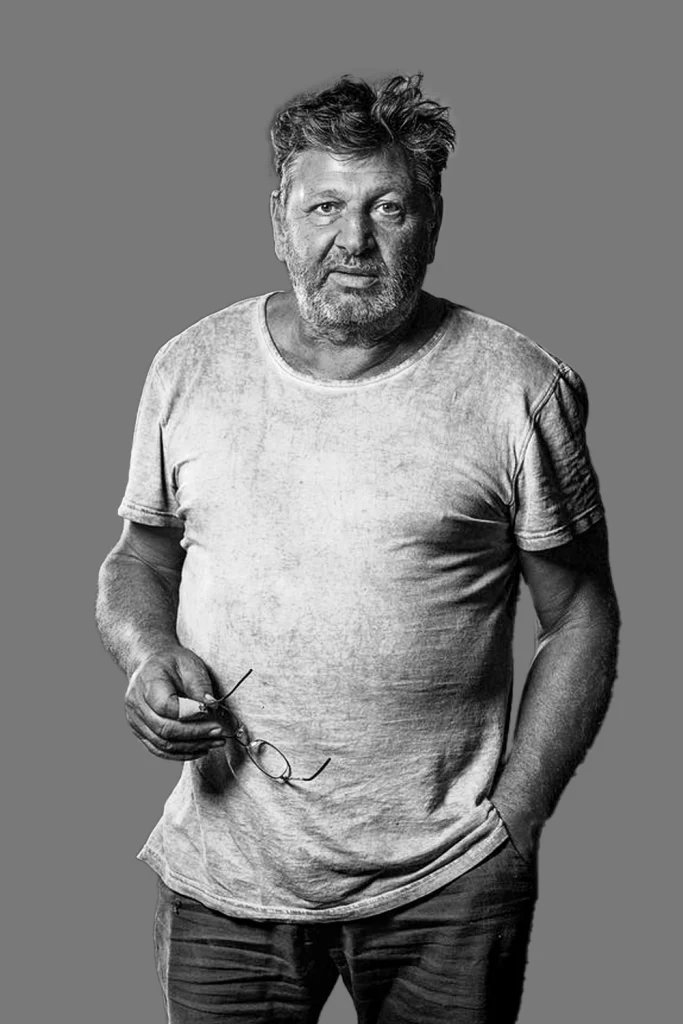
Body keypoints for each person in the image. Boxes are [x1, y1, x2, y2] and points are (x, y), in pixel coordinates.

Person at [96, 73, 620, 1024]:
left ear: (432, 219)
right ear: (279, 217)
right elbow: (139, 558)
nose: (354, 240)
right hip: (226, 877)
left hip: (447, 883)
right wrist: (145, 649)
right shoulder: (189, 367)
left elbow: (580, 613)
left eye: (388, 207)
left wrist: (518, 814)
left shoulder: (515, 387)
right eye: (324, 207)